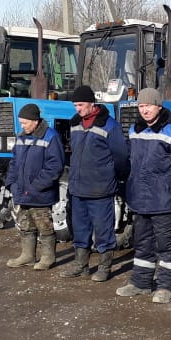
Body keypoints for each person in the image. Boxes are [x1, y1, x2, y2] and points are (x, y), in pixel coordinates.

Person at [115, 88, 171, 304]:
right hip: (140, 199)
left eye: (148, 105)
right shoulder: (134, 130)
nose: (144, 110)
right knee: (142, 243)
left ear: (158, 106)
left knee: (167, 245)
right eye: (141, 106)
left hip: (166, 200)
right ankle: (140, 283)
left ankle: (166, 286)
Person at [59, 84, 130, 282]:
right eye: (75, 105)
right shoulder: (75, 124)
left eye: (80, 105)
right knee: (80, 229)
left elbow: (121, 156)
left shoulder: (109, 125)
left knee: (103, 229)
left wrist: (112, 176)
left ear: (92, 104)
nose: (78, 109)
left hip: (100, 189)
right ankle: (81, 266)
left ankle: (104, 267)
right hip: (78, 188)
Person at [4, 103, 66, 270]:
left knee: (44, 226)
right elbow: (14, 163)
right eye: (21, 123)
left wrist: (36, 186)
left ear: (35, 121)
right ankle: (28, 255)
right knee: (25, 225)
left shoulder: (50, 137)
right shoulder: (21, 137)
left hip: (40, 193)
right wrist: (11, 183)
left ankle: (48, 257)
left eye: (24, 122)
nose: (22, 126)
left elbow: (55, 167)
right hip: (21, 191)